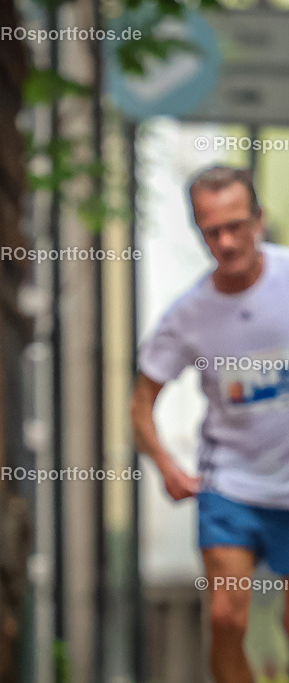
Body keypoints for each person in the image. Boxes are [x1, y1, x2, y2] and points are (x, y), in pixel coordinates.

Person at [132, 166, 289, 683]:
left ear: (259, 221)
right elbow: (141, 403)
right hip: (231, 485)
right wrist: (167, 466)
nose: (225, 241)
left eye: (236, 225)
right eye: (211, 230)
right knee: (225, 618)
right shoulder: (189, 315)